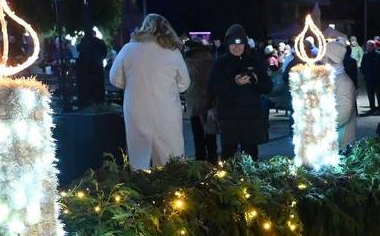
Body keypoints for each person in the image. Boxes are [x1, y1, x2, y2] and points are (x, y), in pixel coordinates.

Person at [109, 14, 190, 171]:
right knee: (171, 160)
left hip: (137, 112)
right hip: (166, 113)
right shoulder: (173, 52)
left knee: (138, 159)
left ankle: (141, 192)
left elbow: (115, 79)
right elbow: (184, 84)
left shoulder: (128, 49)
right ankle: (172, 193)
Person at [210, 24, 272, 160]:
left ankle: (251, 181)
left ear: (245, 44)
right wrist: (234, 83)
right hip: (229, 118)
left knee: (251, 155)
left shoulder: (254, 62)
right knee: (228, 154)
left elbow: (268, 86)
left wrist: (255, 81)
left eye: (240, 44)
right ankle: (226, 181)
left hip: (251, 117)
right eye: (233, 44)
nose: (236, 47)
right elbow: (214, 88)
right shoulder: (220, 63)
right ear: (227, 44)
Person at [183, 39, 218, 163]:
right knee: (210, 133)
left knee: (198, 135)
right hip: (210, 101)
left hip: (195, 101)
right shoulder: (209, 57)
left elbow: (184, 81)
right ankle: (213, 161)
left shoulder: (188, 61)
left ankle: (200, 161)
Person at [326, 37, 358, 148]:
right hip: (332, 137)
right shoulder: (332, 77)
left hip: (342, 139)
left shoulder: (344, 82)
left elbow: (344, 112)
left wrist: (322, 124)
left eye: (324, 60)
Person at [361, 41, 380, 114]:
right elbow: (363, 66)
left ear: (373, 46)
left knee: (379, 93)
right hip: (369, 78)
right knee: (370, 94)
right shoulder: (365, 55)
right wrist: (365, 75)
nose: (368, 47)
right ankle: (372, 107)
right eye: (367, 46)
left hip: (378, 78)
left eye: (369, 46)